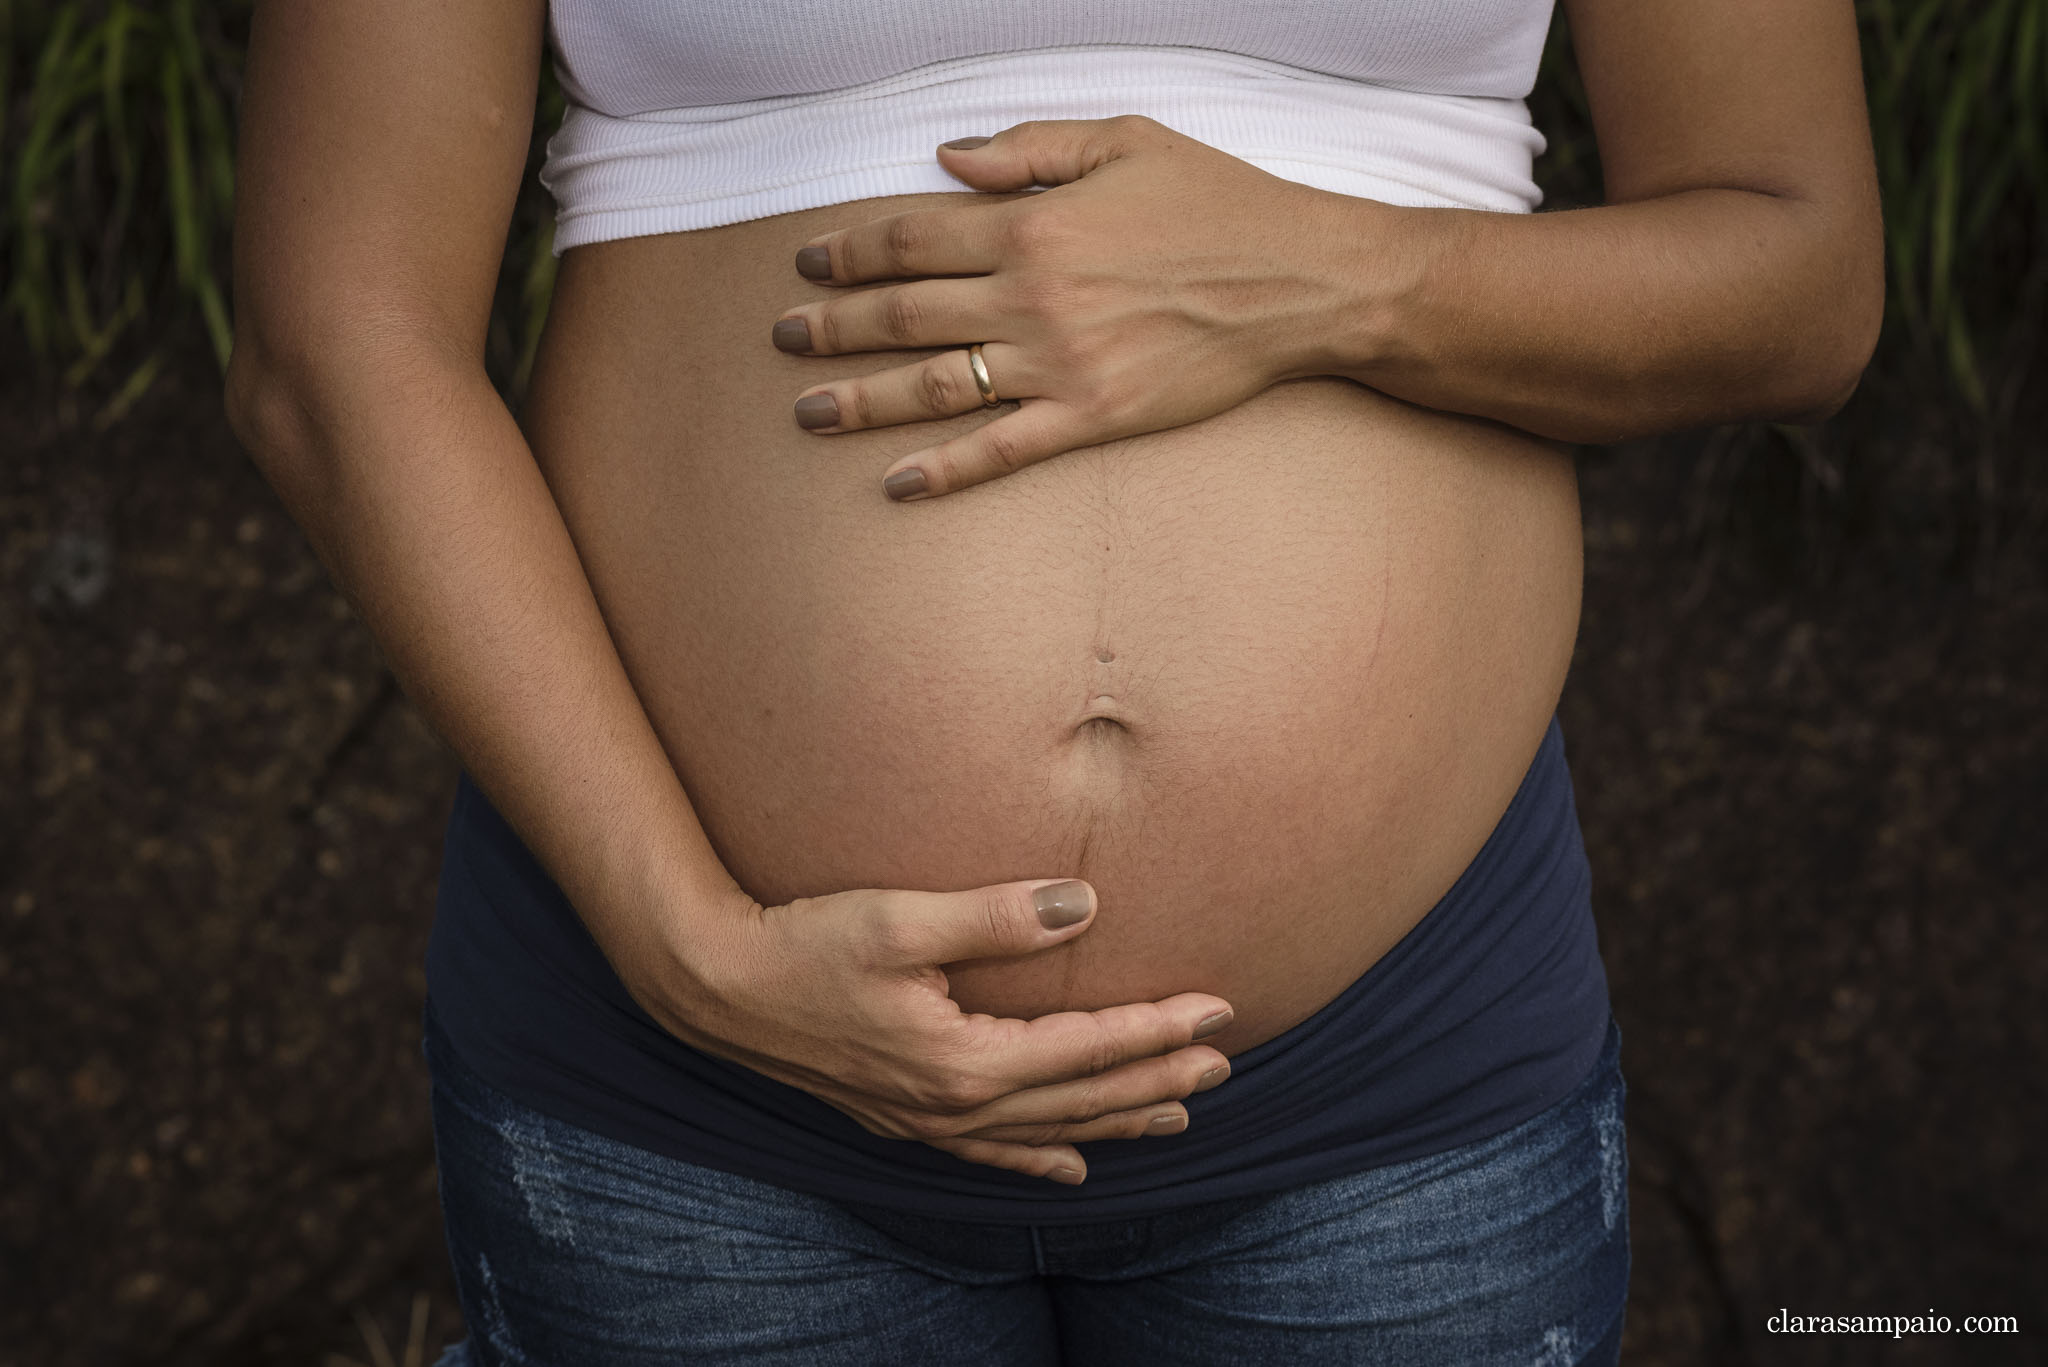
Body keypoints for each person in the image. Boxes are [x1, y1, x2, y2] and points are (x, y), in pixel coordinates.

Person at [225, 0, 1882, 1359]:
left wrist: (1332, 282)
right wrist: (688, 950)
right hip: (699, 1088)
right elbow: (334, 333)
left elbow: (1797, 276)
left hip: (1388, 1091)